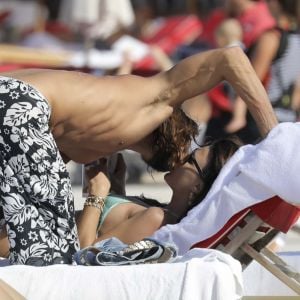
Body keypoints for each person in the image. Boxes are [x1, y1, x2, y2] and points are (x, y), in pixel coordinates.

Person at [0, 46, 277, 265]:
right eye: (190, 150)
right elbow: (229, 57)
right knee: (48, 257)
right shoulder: (157, 99)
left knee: (39, 234)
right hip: (22, 104)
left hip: (13, 96)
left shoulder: (102, 133)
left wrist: (111, 190)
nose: (186, 154)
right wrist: (277, 139)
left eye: (193, 156)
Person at [226, 0, 300, 133]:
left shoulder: (271, 37)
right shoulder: (296, 37)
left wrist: (238, 117)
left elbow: (250, 81)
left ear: (276, 4)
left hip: (263, 118)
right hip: (288, 118)